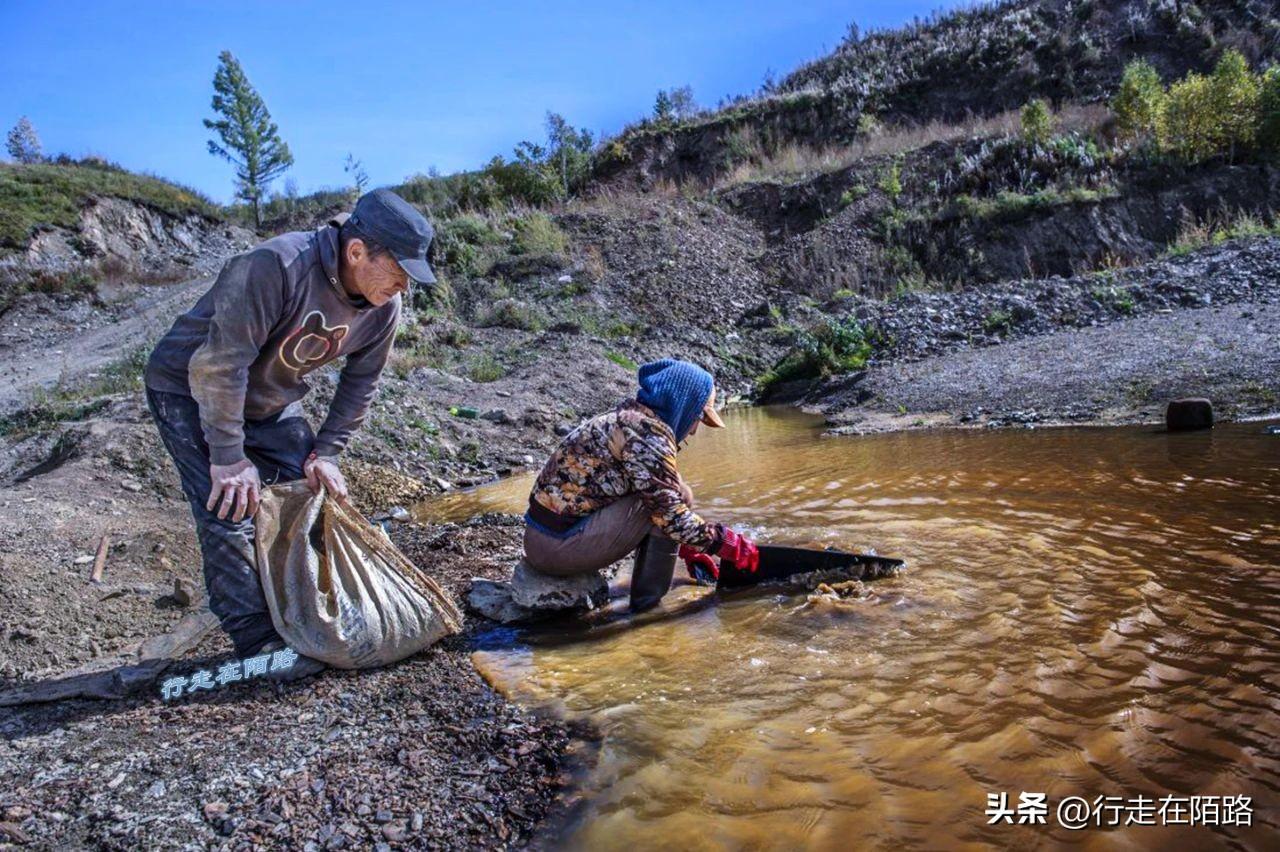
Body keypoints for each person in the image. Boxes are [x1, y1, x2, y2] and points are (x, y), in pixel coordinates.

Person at [143, 188, 436, 680]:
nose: (403, 286)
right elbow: (221, 365)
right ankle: (257, 642)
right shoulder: (274, 266)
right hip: (192, 389)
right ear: (357, 251)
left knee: (309, 493)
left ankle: (305, 615)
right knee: (231, 506)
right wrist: (229, 456)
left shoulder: (384, 306)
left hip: (270, 398)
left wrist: (327, 451)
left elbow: (362, 380)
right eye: (399, 272)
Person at [523, 358, 760, 612]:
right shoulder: (649, 436)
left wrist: (689, 546)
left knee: (678, 491)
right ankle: (647, 608)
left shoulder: (628, 419)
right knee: (661, 506)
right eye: (699, 418)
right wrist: (726, 544)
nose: (693, 431)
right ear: (684, 405)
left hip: (544, 538)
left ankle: (646, 597)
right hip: (555, 548)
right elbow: (670, 516)